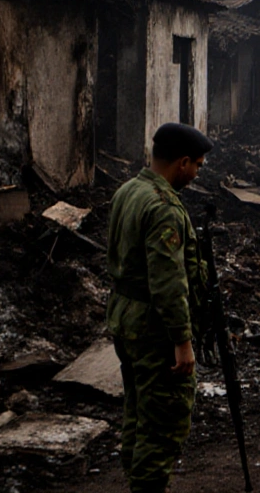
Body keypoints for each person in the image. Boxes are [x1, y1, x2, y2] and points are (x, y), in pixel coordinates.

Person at [106, 122, 213, 493]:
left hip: (125, 320)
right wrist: (182, 341)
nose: (197, 173)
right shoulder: (163, 207)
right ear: (182, 163)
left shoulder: (128, 191)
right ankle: (147, 485)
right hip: (154, 330)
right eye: (197, 165)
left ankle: (140, 481)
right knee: (164, 420)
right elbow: (168, 282)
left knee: (138, 414)